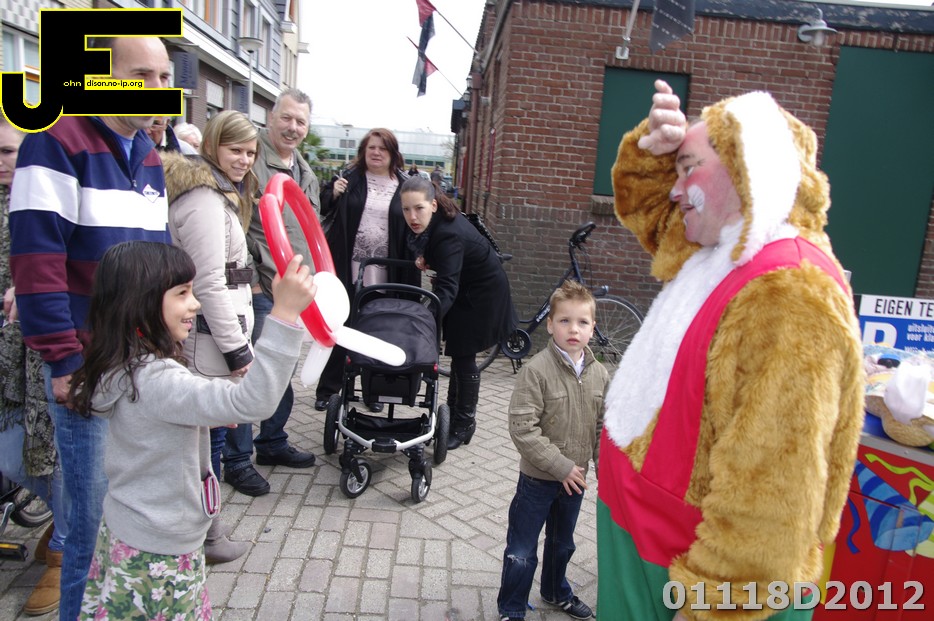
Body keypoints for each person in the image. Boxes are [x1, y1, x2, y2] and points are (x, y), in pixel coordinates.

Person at [597, 81, 864, 620]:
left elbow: (773, 496)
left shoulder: (788, 293)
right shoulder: (723, 247)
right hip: (646, 540)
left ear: (747, 168)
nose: (676, 190)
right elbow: (648, 211)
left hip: (683, 569)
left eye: (688, 168)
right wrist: (656, 153)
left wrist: (716, 604)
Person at [8, 36, 174, 621]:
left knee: (124, 518)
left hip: (142, 366)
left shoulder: (146, 151)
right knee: (90, 526)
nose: (157, 89)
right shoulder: (55, 140)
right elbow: (37, 263)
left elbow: (157, 260)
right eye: (141, 76)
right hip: (90, 369)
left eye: (163, 76)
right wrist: (63, 360)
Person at [70, 242, 315, 621]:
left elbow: (152, 421)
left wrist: (201, 416)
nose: (195, 304)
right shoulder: (158, 379)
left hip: (128, 531)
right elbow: (255, 402)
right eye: (182, 293)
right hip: (160, 551)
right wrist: (284, 315)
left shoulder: (124, 364)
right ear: (141, 303)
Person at [163, 110, 259, 560]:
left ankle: (205, 532)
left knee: (209, 440)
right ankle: (208, 536)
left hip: (213, 337)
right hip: (209, 342)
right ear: (212, 145)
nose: (244, 160)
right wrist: (238, 352)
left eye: (250, 152)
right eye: (235, 150)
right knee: (208, 443)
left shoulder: (217, 193)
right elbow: (208, 283)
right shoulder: (204, 198)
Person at [226, 88, 319, 497]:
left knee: (280, 369)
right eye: (287, 118)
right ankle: (236, 459)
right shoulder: (250, 160)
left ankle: (272, 441)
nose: (293, 127)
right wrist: (248, 280)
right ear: (271, 116)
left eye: (301, 121)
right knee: (249, 371)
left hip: (292, 291)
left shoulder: (305, 172)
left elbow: (310, 233)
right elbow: (232, 226)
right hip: (260, 286)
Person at [497, 280, 608, 621]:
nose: (573, 329)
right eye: (564, 321)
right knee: (521, 549)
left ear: (592, 328)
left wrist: (605, 471)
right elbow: (522, 428)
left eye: (582, 322)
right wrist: (560, 466)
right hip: (538, 480)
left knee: (563, 543)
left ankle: (555, 591)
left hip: (576, 481)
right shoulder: (536, 371)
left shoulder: (600, 374)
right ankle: (512, 608)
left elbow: (602, 427)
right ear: (549, 325)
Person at [0, 117, 66, 616]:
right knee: (10, 454)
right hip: (7, 354)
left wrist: (29, 289)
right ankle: (70, 521)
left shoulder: (47, 197)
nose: (3, 162)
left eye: (9, 151)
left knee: (49, 454)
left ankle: (67, 544)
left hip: (43, 345)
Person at [399, 176, 516, 449]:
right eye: (406, 209)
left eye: (419, 208)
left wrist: (421, 322)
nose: (412, 216)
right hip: (467, 288)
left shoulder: (448, 234)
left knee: (464, 357)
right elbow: (445, 258)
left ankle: (464, 424)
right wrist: (429, 258)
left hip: (482, 294)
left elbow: (447, 289)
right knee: (458, 354)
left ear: (433, 205)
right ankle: (451, 415)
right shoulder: (439, 222)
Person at [314, 127, 419, 411]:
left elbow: (419, 220)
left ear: (393, 154)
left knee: (379, 330)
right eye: (371, 147)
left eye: (382, 148)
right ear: (363, 151)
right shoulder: (349, 179)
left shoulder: (405, 185)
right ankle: (329, 390)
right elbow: (322, 208)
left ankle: (374, 392)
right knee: (342, 326)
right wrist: (333, 194)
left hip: (388, 271)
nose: (376, 153)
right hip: (349, 268)